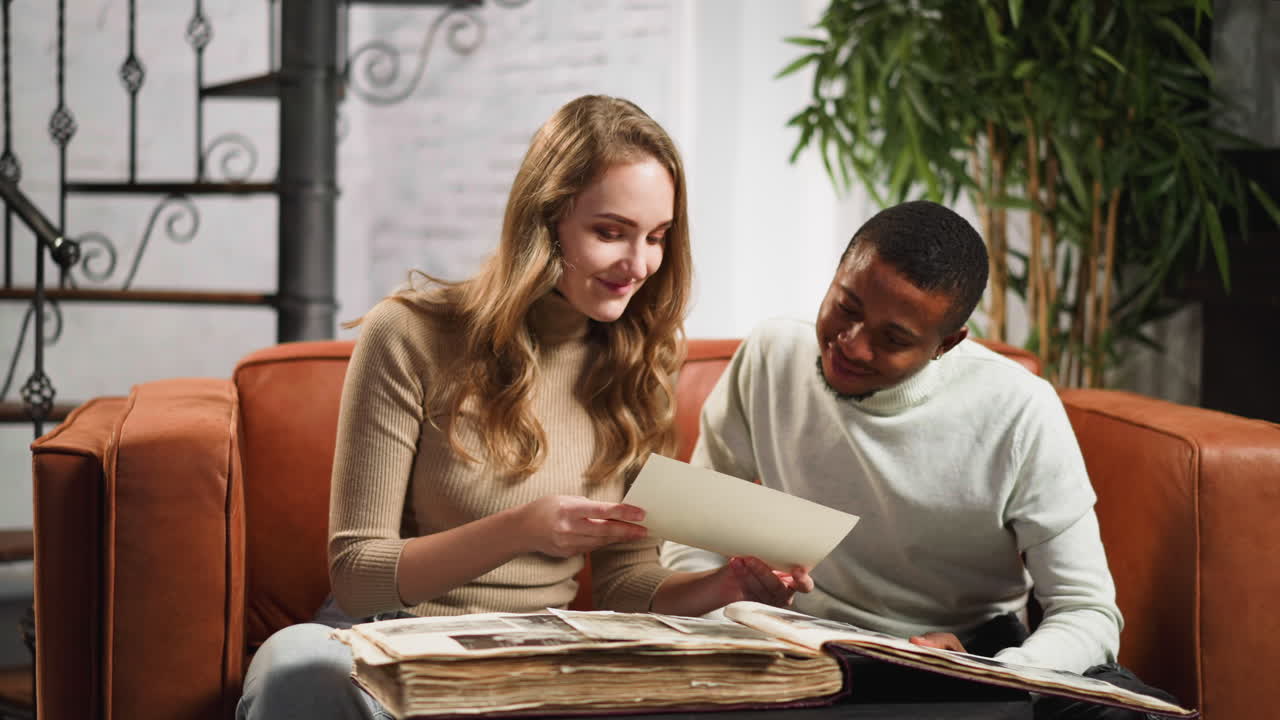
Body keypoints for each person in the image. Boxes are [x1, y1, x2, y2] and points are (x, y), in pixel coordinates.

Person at [237, 95, 810, 720]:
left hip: (535, 658)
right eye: (610, 232)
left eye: (657, 237)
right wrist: (525, 527)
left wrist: (721, 586)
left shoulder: (643, 358)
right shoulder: (408, 335)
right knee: (294, 665)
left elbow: (624, 581)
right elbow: (356, 573)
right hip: (389, 639)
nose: (639, 264)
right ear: (545, 221)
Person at [660, 200, 1178, 719]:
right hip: (812, 653)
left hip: (976, 657)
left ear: (945, 345)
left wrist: (997, 675)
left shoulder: (1020, 410)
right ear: (837, 275)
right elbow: (692, 540)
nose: (854, 346)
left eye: (894, 339)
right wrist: (731, 620)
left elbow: (1085, 610)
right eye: (847, 306)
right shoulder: (771, 355)